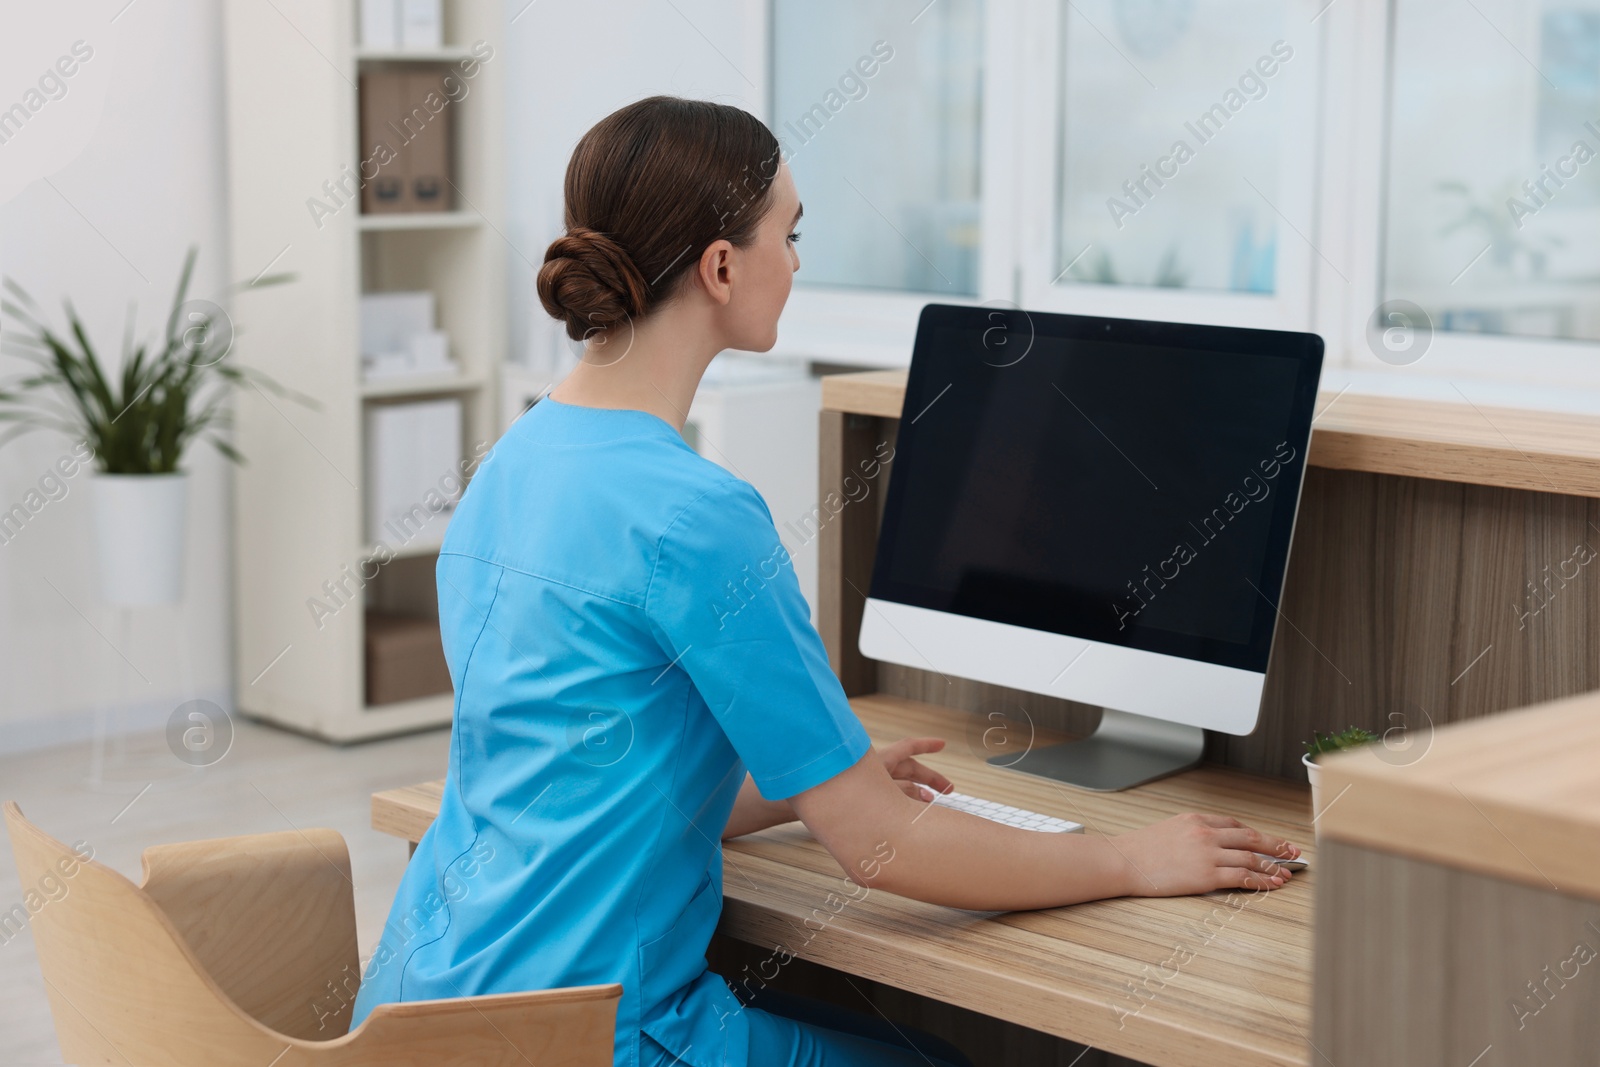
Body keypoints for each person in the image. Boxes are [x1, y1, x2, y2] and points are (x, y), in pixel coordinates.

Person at [348, 95, 1300, 1067]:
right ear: (721, 266)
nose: (797, 263)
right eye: (788, 235)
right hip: (590, 1037)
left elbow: (579, 774)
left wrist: (811, 786)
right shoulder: (695, 514)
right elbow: (881, 848)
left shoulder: (511, 465)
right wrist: (1132, 856)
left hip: (423, 1001)